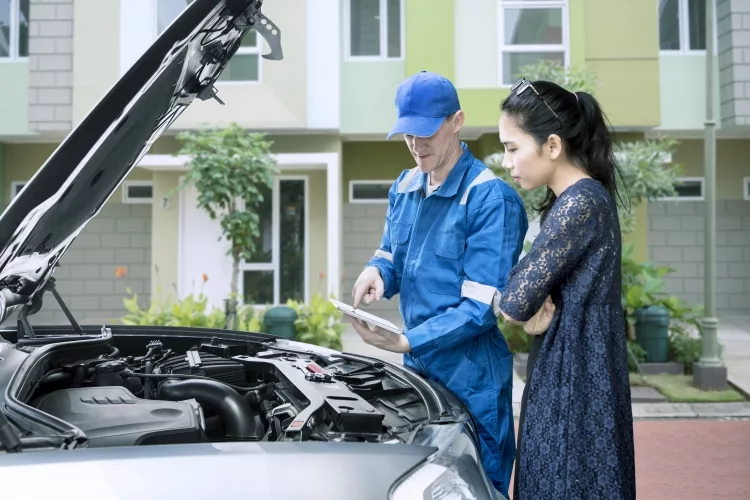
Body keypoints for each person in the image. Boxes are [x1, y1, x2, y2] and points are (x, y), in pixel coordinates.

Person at [348, 70, 530, 498]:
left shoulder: (490, 198)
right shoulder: (406, 185)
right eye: (408, 134)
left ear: (457, 121)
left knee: (480, 486)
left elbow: (481, 307)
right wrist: (375, 271)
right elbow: (391, 252)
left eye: (427, 132)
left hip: (472, 378)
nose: (417, 145)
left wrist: (408, 341)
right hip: (420, 375)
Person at [495, 77, 636, 499]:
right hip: (574, 366)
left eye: (512, 147)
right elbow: (527, 298)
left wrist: (524, 302)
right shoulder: (578, 200)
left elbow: (517, 299)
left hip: (575, 379)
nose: (506, 161)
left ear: (552, 146)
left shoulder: (579, 203)